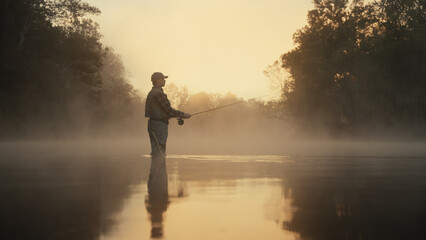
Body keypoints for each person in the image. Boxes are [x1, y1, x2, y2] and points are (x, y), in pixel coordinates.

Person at [145, 72, 190, 190]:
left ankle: (155, 182)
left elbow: (166, 111)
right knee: (160, 154)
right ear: (156, 81)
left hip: (154, 124)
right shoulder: (158, 94)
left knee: (156, 152)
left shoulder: (152, 93)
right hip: (159, 125)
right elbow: (169, 110)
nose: (165, 81)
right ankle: (158, 182)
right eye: (162, 79)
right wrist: (183, 114)